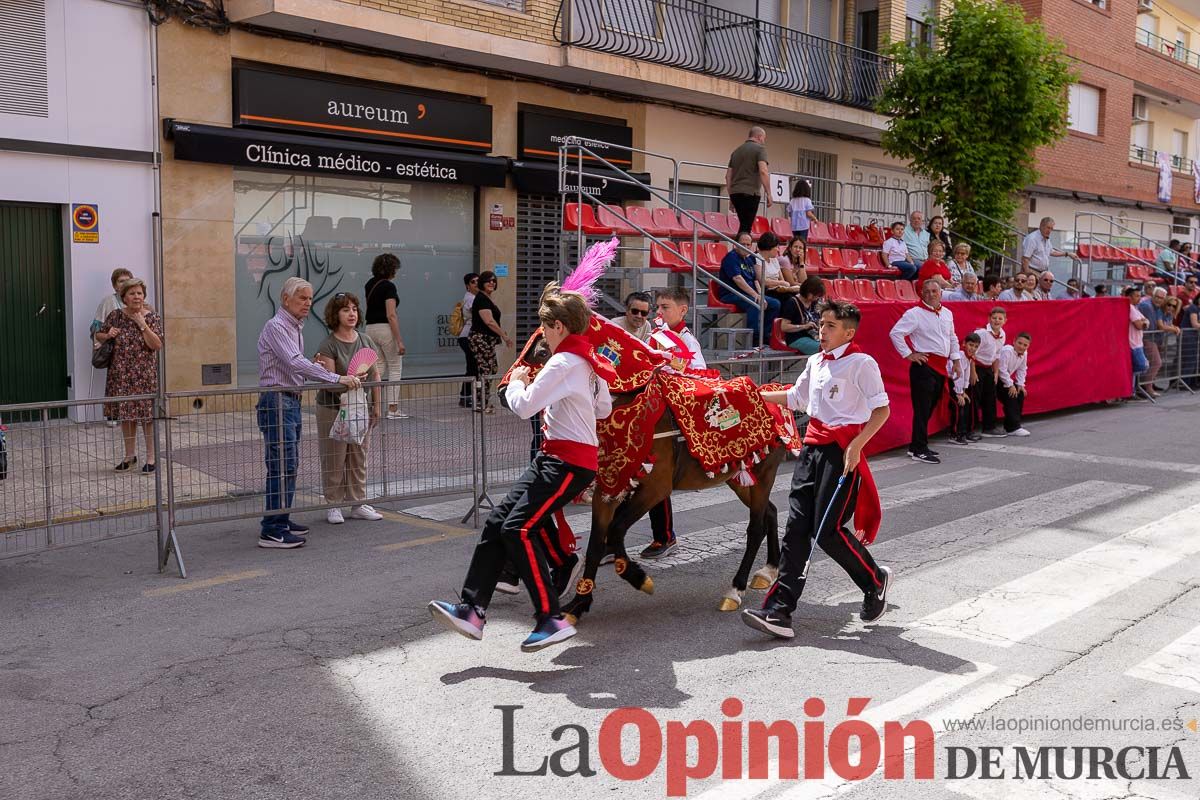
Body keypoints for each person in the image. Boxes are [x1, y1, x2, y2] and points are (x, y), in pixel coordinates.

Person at [428, 284, 614, 653]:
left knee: (519, 529)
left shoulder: (564, 362)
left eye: (545, 326)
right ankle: (472, 609)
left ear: (559, 326)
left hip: (566, 460)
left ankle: (550, 616)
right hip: (560, 457)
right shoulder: (590, 362)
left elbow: (525, 406)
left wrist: (515, 382)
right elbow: (604, 409)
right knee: (498, 521)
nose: (542, 332)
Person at [744, 300, 892, 639]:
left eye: (829, 326)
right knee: (796, 528)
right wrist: (755, 394)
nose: (821, 331)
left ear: (848, 332)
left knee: (828, 531)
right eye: (821, 324)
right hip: (811, 448)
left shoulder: (861, 364)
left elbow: (881, 411)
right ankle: (779, 611)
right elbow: (797, 398)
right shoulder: (815, 361)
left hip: (841, 452)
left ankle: (874, 580)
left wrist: (857, 446)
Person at [256, 277, 360, 549]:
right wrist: (333, 377)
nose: (307, 303)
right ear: (285, 299)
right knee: (281, 465)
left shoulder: (294, 328)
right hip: (278, 401)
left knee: (289, 464)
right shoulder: (277, 326)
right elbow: (293, 361)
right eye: (302, 298)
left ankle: (281, 519)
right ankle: (272, 530)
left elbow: (294, 365)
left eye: (310, 298)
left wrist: (313, 369)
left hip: (289, 399)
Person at [639, 286, 707, 558]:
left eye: (665, 307)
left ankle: (664, 536)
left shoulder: (689, 342)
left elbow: (699, 375)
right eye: (658, 307)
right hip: (650, 408)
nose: (659, 312)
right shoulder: (655, 336)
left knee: (657, 473)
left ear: (683, 310)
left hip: (671, 415)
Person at [314, 293, 384, 525]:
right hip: (332, 408)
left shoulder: (366, 340)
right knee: (334, 456)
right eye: (345, 310)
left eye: (354, 309)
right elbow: (331, 381)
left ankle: (357, 503)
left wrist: (377, 406)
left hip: (360, 408)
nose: (352, 313)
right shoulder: (328, 344)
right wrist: (350, 378)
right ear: (336, 315)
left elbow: (375, 375)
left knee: (358, 455)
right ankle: (333, 504)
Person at [96, 277, 163, 474]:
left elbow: (157, 345)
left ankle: (151, 457)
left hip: (144, 376)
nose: (136, 297)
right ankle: (129, 456)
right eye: (132, 293)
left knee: (147, 418)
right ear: (124, 297)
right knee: (126, 417)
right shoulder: (115, 315)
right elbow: (99, 334)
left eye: (140, 293)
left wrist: (142, 324)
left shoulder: (151, 317)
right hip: (121, 375)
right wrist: (108, 334)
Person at [889, 279, 959, 465]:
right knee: (922, 409)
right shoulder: (914, 314)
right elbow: (895, 333)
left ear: (941, 293)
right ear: (921, 294)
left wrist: (956, 360)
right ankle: (919, 448)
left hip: (941, 366)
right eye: (926, 291)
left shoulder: (947, 313)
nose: (930, 294)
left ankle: (916, 445)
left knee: (929, 407)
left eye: (934, 291)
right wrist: (909, 354)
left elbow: (952, 337)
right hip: (924, 367)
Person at [363, 253, 406, 420]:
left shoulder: (369, 284)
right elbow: (391, 314)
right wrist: (399, 340)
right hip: (384, 328)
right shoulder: (389, 286)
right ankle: (393, 408)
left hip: (370, 328)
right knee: (395, 367)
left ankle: (372, 404)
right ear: (391, 269)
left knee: (378, 368)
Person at [719, 231, 780, 346]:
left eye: (748, 244)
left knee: (775, 304)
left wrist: (761, 295)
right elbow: (738, 279)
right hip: (730, 294)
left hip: (747, 293)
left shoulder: (749, 259)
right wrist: (755, 295)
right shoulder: (731, 257)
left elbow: (755, 280)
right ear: (735, 244)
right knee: (753, 303)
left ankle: (766, 335)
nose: (746, 247)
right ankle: (754, 339)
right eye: (743, 244)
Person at [92, 267, 134, 427]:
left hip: (135, 349)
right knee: (116, 379)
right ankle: (113, 415)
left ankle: (134, 412)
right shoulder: (108, 302)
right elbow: (96, 328)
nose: (125, 283)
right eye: (121, 281)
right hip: (116, 348)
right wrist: (108, 333)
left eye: (127, 280)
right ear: (115, 285)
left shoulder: (138, 299)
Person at [468, 270, 514, 414]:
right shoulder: (481, 299)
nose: (492, 283)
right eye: (488, 281)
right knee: (485, 370)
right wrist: (505, 336)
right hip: (480, 338)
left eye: (494, 281)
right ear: (482, 283)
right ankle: (480, 403)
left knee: (491, 368)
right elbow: (489, 321)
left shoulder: (486, 298)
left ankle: (483, 401)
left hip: (487, 339)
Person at [725, 126, 771, 235]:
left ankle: (740, 248)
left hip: (736, 193)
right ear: (759, 137)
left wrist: (731, 196)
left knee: (744, 225)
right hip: (751, 192)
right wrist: (769, 193)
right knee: (746, 227)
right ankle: (741, 250)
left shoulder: (736, 151)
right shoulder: (760, 149)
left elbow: (728, 176)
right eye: (764, 138)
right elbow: (763, 171)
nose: (764, 141)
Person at [975, 306, 1007, 438]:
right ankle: (968, 428)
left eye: (1000, 318)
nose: (997, 321)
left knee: (990, 398)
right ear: (989, 319)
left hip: (989, 368)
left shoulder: (1002, 334)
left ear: (1005, 320)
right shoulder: (981, 333)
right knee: (975, 398)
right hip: (976, 366)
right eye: (994, 318)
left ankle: (989, 427)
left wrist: (995, 373)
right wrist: (973, 373)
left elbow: (997, 356)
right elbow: (971, 353)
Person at [1138, 287, 1176, 396]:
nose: (1159, 300)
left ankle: (1148, 386)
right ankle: (1147, 388)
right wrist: (1169, 328)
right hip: (1148, 338)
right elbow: (1153, 327)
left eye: (1162, 298)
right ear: (1152, 296)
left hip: (1155, 338)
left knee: (1151, 363)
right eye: (1157, 297)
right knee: (1156, 362)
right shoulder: (1148, 306)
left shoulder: (1159, 308)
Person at [947, 332, 980, 446]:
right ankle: (954, 434)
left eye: (976, 346)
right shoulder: (960, 356)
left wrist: (964, 391)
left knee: (965, 404)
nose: (973, 348)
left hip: (959, 387)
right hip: (951, 384)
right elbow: (958, 376)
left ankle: (963, 432)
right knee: (957, 407)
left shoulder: (969, 358)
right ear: (964, 344)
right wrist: (959, 393)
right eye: (971, 345)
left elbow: (966, 376)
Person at [778, 276, 826, 355]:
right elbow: (784, 327)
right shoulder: (792, 303)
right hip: (797, 338)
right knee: (825, 348)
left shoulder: (814, 302)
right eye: (815, 295)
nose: (816, 298)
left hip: (813, 336)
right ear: (807, 291)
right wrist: (804, 326)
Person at [998, 333, 1032, 436]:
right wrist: (1010, 385)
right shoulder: (1007, 351)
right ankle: (1013, 427)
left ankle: (1012, 425)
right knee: (1011, 395)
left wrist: (1020, 385)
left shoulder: (1024, 353)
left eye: (1025, 345)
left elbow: (1022, 369)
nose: (1021, 346)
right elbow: (1001, 369)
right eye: (1019, 343)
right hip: (996, 379)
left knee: (1020, 393)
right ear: (1014, 342)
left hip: (1006, 379)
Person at [758, 231, 801, 302]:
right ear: (769, 246)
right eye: (776, 247)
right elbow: (762, 281)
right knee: (791, 299)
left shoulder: (774, 260)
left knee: (800, 295)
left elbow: (782, 280)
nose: (778, 250)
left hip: (779, 288)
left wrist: (783, 285)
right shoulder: (758, 259)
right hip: (767, 290)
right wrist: (780, 283)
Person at [458, 272, 479, 408]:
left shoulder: (474, 297)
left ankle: (466, 396)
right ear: (467, 286)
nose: (476, 284)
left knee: (472, 367)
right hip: (468, 336)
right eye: (473, 282)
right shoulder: (471, 299)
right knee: (473, 368)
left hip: (468, 336)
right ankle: (466, 397)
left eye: (478, 281)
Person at [1126, 286, 1150, 397]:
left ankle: (1132, 391)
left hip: (1137, 342)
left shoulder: (1135, 308)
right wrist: (1144, 323)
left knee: (1137, 367)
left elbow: (1146, 321)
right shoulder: (1130, 307)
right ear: (1129, 297)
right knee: (1142, 365)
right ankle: (1130, 389)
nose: (1139, 298)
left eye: (1140, 296)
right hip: (1133, 343)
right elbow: (1140, 325)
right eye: (1136, 296)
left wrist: (1144, 322)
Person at [1181, 290, 1200, 388]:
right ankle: (1185, 382)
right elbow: (1195, 324)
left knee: (1194, 360)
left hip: (1194, 336)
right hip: (1188, 336)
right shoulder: (1193, 308)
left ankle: (1192, 382)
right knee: (1190, 359)